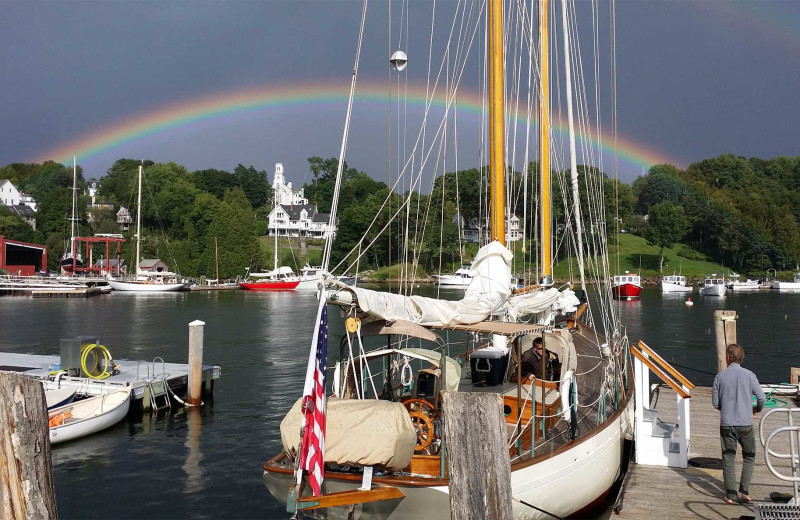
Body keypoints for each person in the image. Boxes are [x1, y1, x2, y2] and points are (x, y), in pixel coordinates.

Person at [711, 343, 766, 505]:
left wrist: (726, 408)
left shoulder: (719, 377)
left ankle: (730, 495)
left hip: (727, 424)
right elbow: (761, 398)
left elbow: (715, 403)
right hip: (745, 424)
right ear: (741, 358)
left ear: (728, 358)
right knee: (749, 456)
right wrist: (755, 409)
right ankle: (744, 491)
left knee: (728, 458)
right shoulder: (750, 375)